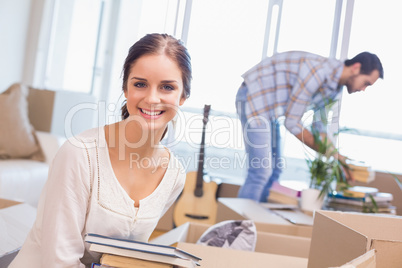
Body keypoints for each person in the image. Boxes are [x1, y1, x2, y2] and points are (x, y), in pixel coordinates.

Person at [10, 33, 192, 267]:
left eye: (167, 87)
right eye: (140, 84)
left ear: (183, 97)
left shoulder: (174, 175)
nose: (152, 98)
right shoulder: (80, 154)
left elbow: (125, 258)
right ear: (126, 89)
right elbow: (59, 261)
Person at [235, 51, 383, 202]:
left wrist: (339, 159)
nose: (364, 89)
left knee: (275, 170)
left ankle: (257, 220)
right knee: (261, 171)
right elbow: (292, 123)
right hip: (254, 97)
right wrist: (333, 155)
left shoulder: (333, 89)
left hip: (270, 110)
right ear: (356, 68)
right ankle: (242, 224)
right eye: (366, 83)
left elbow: (319, 130)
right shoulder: (318, 72)